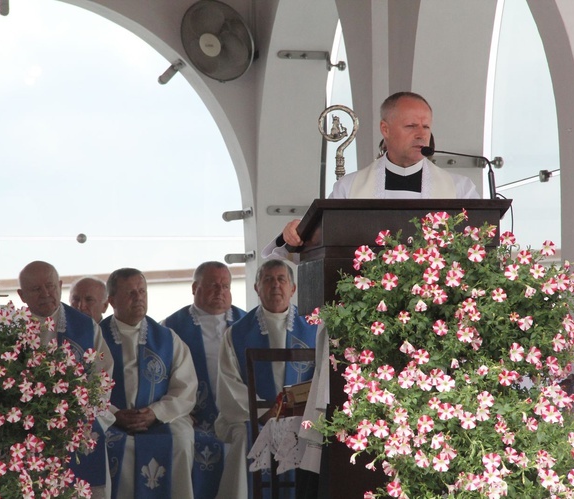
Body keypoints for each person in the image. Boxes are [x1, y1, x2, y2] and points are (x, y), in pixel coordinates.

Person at [264, 91, 479, 257]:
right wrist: (293, 233)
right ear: (385, 129)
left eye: (426, 126)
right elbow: (315, 240)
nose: (421, 134)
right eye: (411, 126)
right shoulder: (349, 188)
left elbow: (479, 242)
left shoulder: (460, 189)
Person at [215, 260, 318, 499]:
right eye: (268, 280)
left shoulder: (314, 327)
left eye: (282, 279)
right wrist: (264, 411)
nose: (275, 286)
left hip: (304, 416)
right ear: (256, 288)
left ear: (293, 289)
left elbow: (323, 376)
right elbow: (229, 381)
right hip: (255, 417)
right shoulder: (237, 333)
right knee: (244, 438)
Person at [17, 261, 114, 499]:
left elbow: (102, 376)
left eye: (50, 286)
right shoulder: (11, 327)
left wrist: (78, 410)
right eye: (36, 289)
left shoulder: (85, 327)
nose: (46, 294)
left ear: (60, 286)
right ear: (21, 295)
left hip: (76, 417)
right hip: (25, 423)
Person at [100, 268, 197, 499]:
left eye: (142, 291)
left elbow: (185, 387)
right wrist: (114, 414)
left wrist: (154, 413)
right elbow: (86, 387)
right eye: (130, 293)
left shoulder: (167, 337)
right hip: (110, 420)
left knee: (182, 441)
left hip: (158, 417)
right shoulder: (97, 337)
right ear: (112, 300)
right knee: (99, 443)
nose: (139, 297)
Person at [163, 261, 245, 499]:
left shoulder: (247, 325)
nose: (220, 292)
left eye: (225, 286)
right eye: (212, 286)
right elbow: (159, 377)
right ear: (194, 288)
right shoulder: (170, 329)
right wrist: (177, 410)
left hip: (237, 416)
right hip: (192, 419)